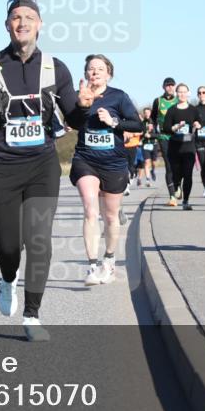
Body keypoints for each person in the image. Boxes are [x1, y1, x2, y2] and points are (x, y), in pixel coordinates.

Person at [0, 0, 93, 341]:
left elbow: (75, 119)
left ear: (40, 24)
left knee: (38, 241)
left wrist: (83, 106)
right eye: (16, 17)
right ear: (7, 25)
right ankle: (7, 281)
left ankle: (32, 314)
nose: (22, 22)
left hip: (42, 165)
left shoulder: (55, 68)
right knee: (7, 246)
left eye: (29, 17)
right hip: (3, 166)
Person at [69, 55, 143, 286]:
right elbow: (69, 120)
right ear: (86, 74)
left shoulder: (119, 97)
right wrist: (82, 107)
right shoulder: (79, 95)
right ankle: (92, 266)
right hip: (86, 158)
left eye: (100, 69)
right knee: (90, 210)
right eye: (91, 69)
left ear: (108, 73)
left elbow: (137, 125)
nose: (95, 72)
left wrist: (113, 122)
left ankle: (108, 261)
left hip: (113, 162)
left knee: (110, 215)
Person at [162, 83, 201, 210]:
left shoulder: (193, 110)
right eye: (179, 92)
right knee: (176, 173)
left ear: (188, 93)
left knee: (188, 174)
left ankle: (186, 201)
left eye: (184, 92)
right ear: (176, 94)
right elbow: (166, 128)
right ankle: (177, 185)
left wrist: (196, 125)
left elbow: (198, 122)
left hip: (189, 146)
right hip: (175, 146)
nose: (182, 94)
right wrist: (176, 127)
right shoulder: (172, 110)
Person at [150, 77, 178, 200]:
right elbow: (153, 116)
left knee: (179, 165)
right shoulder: (158, 101)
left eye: (172, 85)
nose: (170, 87)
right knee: (169, 164)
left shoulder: (179, 100)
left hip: (178, 136)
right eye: (168, 85)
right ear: (163, 87)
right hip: (164, 136)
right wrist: (151, 124)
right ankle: (172, 195)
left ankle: (178, 187)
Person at [140, 107, 158, 186]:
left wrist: (150, 135)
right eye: (145, 112)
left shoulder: (155, 122)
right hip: (145, 145)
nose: (147, 114)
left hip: (154, 144)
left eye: (148, 112)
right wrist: (142, 136)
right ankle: (147, 180)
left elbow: (159, 134)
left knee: (154, 163)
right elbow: (140, 133)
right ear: (144, 114)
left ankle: (153, 171)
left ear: (150, 113)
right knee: (147, 162)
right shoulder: (142, 123)